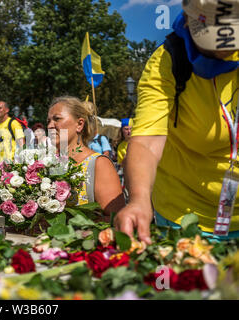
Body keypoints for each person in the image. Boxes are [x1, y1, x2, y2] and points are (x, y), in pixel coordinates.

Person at [114, 0, 239, 244]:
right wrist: (139, 200)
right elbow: (148, 141)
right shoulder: (167, 62)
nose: (223, 55)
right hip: (185, 218)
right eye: (212, 46)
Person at [47, 96, 125, 217]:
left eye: (57, 119)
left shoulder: (98, 164)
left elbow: (116, 218)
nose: (50, 126)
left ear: (79, 124)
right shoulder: (47, 164)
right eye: (48, 121)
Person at [0, 101, 25, 173]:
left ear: (7, 110)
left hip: (11, 165)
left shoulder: (13, 123)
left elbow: (22, 145)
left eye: (0, 108)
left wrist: (16, 162)